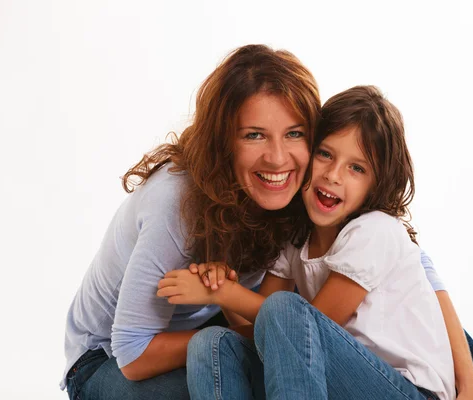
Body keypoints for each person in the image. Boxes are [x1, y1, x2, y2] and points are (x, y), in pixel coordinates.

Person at [158, 86, 473, 399]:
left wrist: (221, 295)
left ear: (376, 185)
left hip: (407, 390)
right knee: (213, 343)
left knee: (287, 309)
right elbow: (263, 331)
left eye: (357, 168)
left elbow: (311, 320)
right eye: (326, 154)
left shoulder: (375, 231)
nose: (333, 174)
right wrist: (220, 282)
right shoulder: (296, 239)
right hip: (336, 381)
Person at [61, 44, 321, 400]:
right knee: (250, 382)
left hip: (204, 325)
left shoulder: (302, 190)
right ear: (223, 141)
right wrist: (271, 335)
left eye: (294, 133)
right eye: (254, 135)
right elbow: (133, 354)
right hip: (106, 360)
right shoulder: (176, 202)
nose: (277, 159)